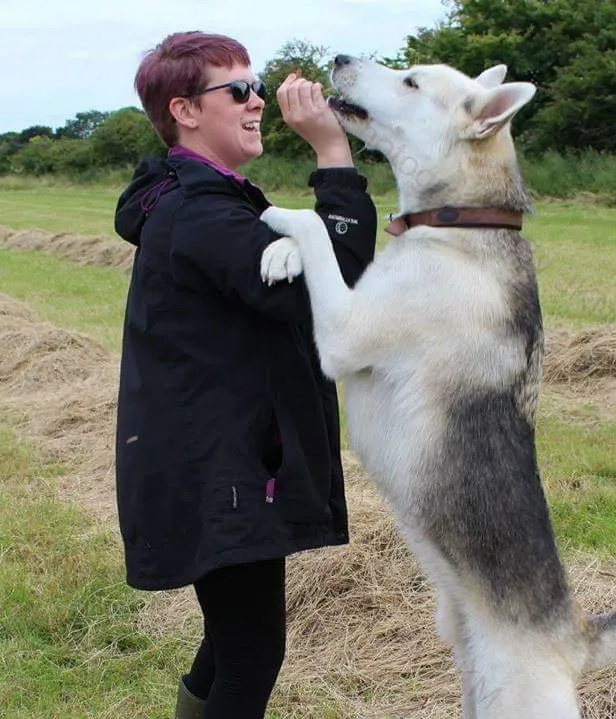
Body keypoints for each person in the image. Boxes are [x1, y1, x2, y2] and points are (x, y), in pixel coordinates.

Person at [113, 31, 377, 719]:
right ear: (185, 111)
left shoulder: (203, 198)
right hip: (218, 465)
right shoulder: (200, 212)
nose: (257, 100)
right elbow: (331, 292)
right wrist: (332, 154)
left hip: (220, 455)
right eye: (237, 90)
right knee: (252, 652)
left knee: (232, 639)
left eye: (255, 86)